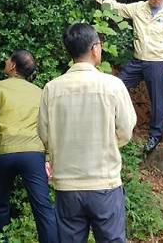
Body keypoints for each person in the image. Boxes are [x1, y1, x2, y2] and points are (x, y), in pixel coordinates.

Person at [38, 23, 137, 243]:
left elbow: (44, 134)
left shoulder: (51, 89)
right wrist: (106, 143)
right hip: (104, 183)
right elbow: (126, 130)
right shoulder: (112, 85)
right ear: (94, 48)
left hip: (67, 186)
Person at [89, 0, 163, 152]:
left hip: (158, 62)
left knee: (157, 100)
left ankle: (155, 135)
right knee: (117, 85)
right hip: (138, 60)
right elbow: (117, 7)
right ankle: (108, 124)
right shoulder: (139, 8)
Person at [0, 50, 58, 243]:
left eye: (8, 60)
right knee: (42, 207)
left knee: (0, 202)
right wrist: (48, 155)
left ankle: (0, 240)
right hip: (33, 154)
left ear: (13, 66)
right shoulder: (40, 92)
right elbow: (47, 125)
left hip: (3, 151)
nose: (5, 61)